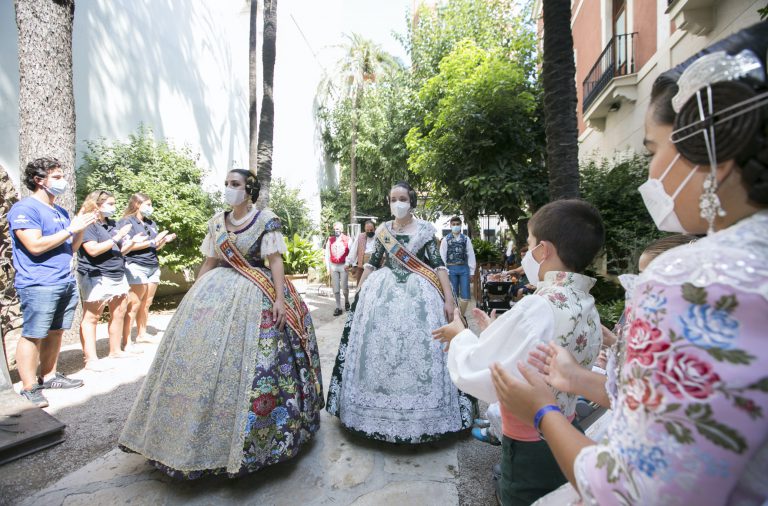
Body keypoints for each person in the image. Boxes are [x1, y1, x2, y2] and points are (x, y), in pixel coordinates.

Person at [490, 23, 768, 506]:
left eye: (653, 150)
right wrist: (577, 379)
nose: (652, 171)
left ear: (714, 155)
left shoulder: (692, 282)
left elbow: (632, 490)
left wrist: (541, 411)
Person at [119, 169, 324, 478]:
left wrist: (280, 299)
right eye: (227, 184)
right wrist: (192, 297)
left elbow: (275, 261)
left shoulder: (266, 220)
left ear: (249, 189)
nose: (229, 189)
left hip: (256, 291)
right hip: (216, 291)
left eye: (235, 184)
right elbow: (210, 261)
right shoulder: (217, 222)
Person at [432, 199, 605, 505]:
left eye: (530, 243)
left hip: (530, 439)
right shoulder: (585, 302)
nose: (527, 252)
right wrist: (495, 332)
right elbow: (530, 350)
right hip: (565, 425)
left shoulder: (538, 305)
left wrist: (460, 336)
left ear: (543, 250)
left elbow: (484, 372)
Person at [326, 181, 474, 443]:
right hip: (383, 291)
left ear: (411, 200)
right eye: (393, 199)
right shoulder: (383, 230)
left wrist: (449, 300)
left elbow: (438, 266)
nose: (398, 204)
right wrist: (360, 293)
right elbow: (372, 264)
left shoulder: (425, 230)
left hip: (420, 295)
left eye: (402, 198)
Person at [8, 158, 95, 407]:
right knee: (33, 334)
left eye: (62, 176)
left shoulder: (60, 211)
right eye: (56, 177)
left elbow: (72, 247)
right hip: (39, 282)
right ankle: (29, 387)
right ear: (39, 180)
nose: (63, 181)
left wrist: (80, 226)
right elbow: (34, 246)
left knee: (56, 331)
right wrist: (71, 229)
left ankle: (49, 376)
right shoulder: (26, 209)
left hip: (64, 280)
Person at [76, 190, 143, 371]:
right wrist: (117, 237)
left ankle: (115, 350)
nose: (114, 207)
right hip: (96, 274)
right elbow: (93, 250)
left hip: (117, 273)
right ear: (96, 205)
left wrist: (132, 242)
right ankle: (91, 359)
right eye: (110, 204)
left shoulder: (112, 224)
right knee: (92, 317)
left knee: (119, 312)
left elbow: (119, 250)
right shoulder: (89, 224)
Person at [117, 193, 175, 350]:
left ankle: (142, 335)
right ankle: (126, 341)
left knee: (146, 303)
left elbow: (154, 246)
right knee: (134, 304)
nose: (151, 208)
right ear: (137, 204)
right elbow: (128, 246)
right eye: (148, 204)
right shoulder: (126, 222)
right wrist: (153, 241)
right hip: (136, 265)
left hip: (152, 266)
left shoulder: (151, 223)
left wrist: (163, 241)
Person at [440, 216, 476, 316]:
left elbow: (471, 255)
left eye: (457, 224)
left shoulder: (466, 239)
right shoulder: (445, 239)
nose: (456, 226)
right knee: (453, 295)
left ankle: (461, 315)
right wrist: (443, 272)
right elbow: (442, 256)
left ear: (461, 225)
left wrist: (472, 272)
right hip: (450, 270)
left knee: (465, 296)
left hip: (464, 269)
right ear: (450, 225)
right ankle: (456, 317)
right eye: (454, 224)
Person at [325, 221, 351, 316]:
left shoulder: (348, 239)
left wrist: (348, 263)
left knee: (344, 287)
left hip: (343, 265)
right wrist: (328, 267)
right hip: (334, 266)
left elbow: (351, 253)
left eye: (338, 229)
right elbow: (327, 254)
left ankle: (347, 301)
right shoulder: (330, 240)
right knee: (336, 288)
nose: (336, 230)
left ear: (342, 229)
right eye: (335, 229)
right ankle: (338, 307)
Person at [346, 219, 376, 284]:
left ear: (374, 229)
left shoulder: (379, 237)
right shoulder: (360, 236)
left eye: (371, 230)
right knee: (360, 286)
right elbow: (353, 250)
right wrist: (348, 263)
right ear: (365, 229)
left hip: (375, 267)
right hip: (361, 266)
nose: (369, 231)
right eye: (367, 230)